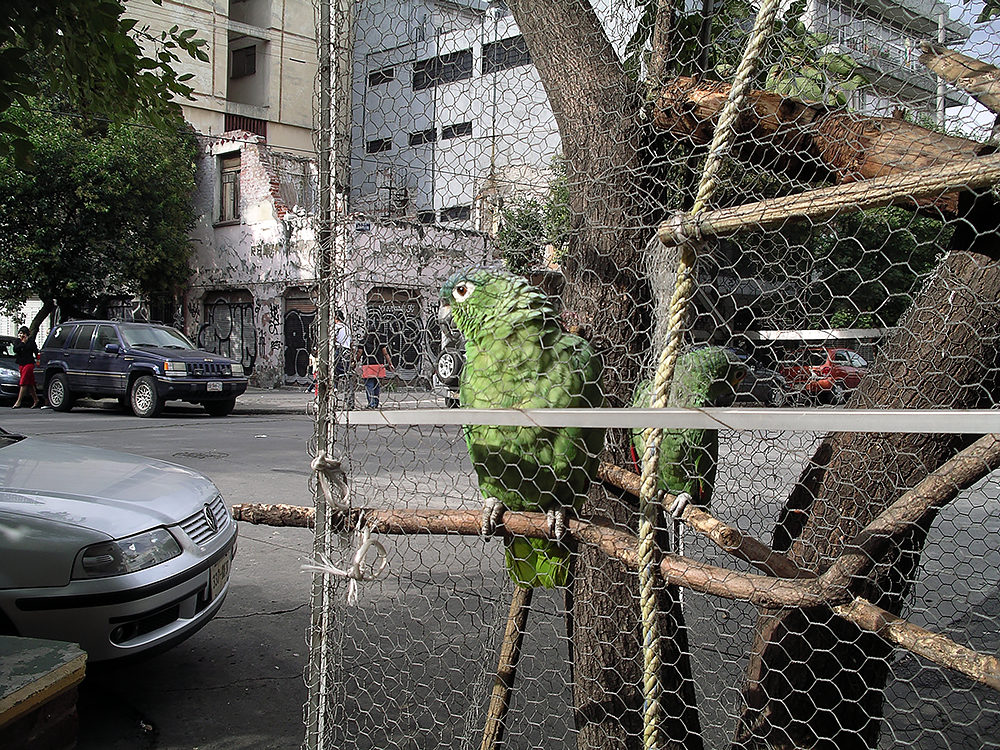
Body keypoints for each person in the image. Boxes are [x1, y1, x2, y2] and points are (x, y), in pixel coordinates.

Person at [357, 324, 393, 409]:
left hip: (368, 365)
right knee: (376, 385)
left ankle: (371, 403)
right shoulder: (379, 341)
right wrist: (390, 363)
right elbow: (385, 353)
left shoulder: (363, 342)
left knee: (369, 385)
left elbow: (359, 353)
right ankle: (375, 402)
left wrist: (355, 361)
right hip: (378, 366)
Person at [12, 326, 40, 409]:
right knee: (30, 383)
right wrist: (22, 343)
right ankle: (36, 399)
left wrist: (38, 361)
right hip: (21, 363)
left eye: (23, 333)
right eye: (20, 333)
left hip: (29, 363)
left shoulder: (31, 342)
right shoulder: (17, 341)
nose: (22, 335)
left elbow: (36, 351)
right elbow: (15, 350)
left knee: (23, 382)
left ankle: (18, 401)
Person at [333, 310, 353, 406]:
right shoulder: (347, 328)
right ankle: (350, 401)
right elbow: (351, 343)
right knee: (347, 377)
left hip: (338, 351)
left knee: (333, 375)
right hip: (347, 352)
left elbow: (332, 340)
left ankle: (333, 395)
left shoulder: (335, 328)